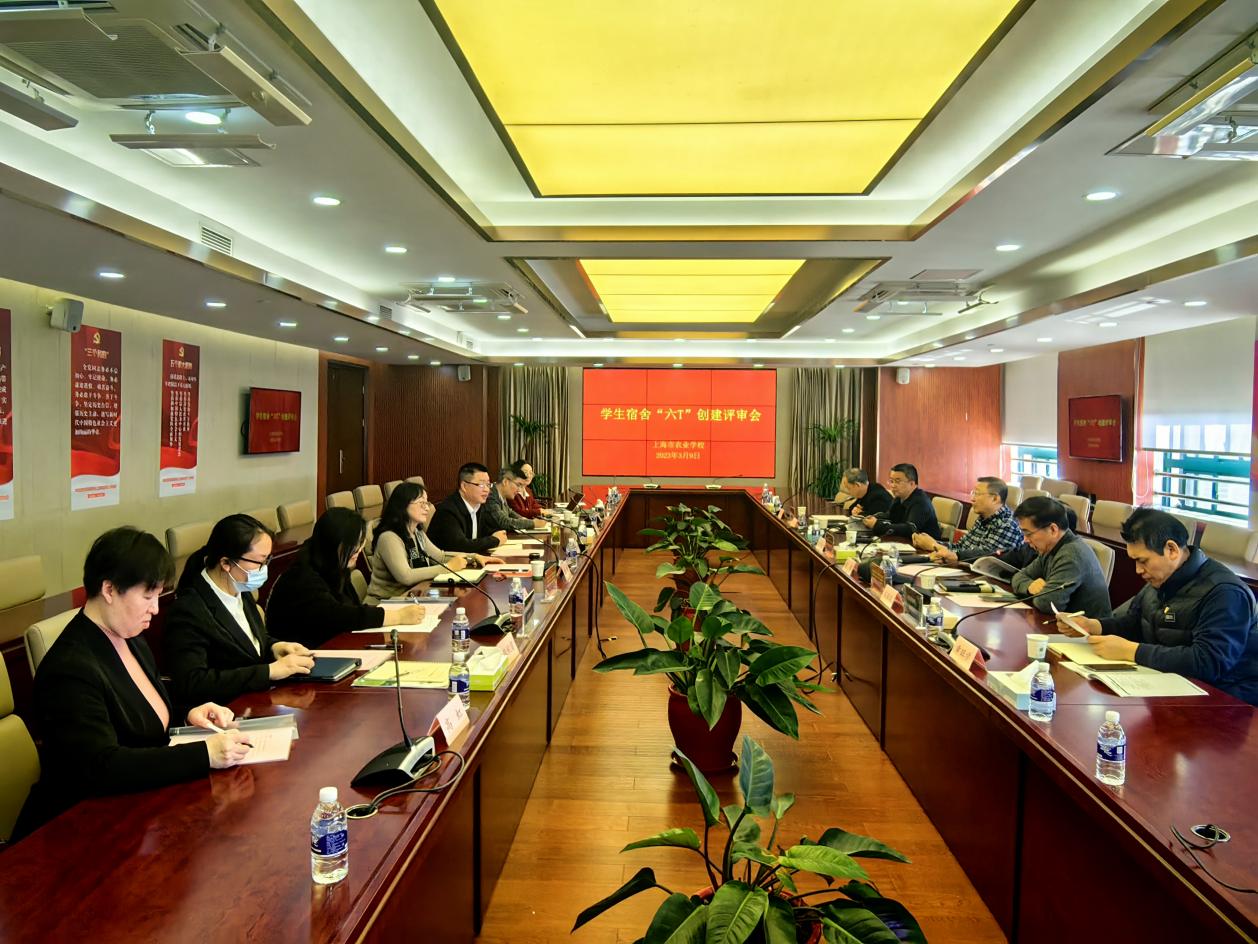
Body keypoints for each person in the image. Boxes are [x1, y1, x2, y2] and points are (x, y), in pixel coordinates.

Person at [14, 527, 251, 839]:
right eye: (148, 596)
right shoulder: (70, 669)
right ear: (109, 589)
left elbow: (141, 708)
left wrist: (188, 714)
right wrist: (205, 754)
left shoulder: (129, 636)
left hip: (138, 808)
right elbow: (103, 766)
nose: (156, 608)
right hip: (79, 829)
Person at [1059, 508, 1258, 704]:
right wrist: (1096, 626)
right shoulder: (1163, 577)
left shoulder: (1225, 593)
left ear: (1171, 550)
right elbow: (1137, 622)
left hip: (1226, 701)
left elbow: (1208, 662)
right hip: (1170, 683)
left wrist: (1132, 651)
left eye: (1142, 561)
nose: (1138, 570)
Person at [165, 514, 315, 706]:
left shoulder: (239, 588)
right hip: (224, 711)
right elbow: (193, 682)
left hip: (256, 701)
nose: (264, 569)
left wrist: (275, 647)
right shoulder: (189, 610)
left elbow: (247, 642)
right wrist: (268, 672)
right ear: (226, 563)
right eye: (259, 562)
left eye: (267, 560)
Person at [265, 507, 428, 649]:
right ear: (333, 542)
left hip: (331, 647)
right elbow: (339, 616)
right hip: (304, 658)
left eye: (360, 544)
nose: (358, 550)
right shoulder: (301, 578)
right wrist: (397, 616)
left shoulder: (333, 565)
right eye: (353, 546)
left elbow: (351, 607)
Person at [364, 482, 503, 604]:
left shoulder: (416, 532)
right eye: (421, 503)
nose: (427, 508)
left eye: (427, 503)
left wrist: (473, 557)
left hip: (411, 597)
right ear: (403, 505)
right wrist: (448, 567)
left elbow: (440, 556)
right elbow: (406, 576)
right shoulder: (389, 537)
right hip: (384, 604)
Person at [1011, 496, 1112, 617]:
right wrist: (1029, 586)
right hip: (1061, 623)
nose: (1025, 539)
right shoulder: (1051, 547)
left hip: (1083, 627)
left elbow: (1047, 603)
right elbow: (1018, 576)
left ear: (1053, 530)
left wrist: (1037, 592)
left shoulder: (1071, 555)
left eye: (1028, 533)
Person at [915, 477, 1024, 563]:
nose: (972, 499)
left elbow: (986, 558)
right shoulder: (983, 518)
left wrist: (934, 546)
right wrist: (929, 542)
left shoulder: (1007, 524)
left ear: (995, 498)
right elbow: (960, 547)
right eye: (973, 493)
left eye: (977, 494)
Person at [427, 462, 509, 554]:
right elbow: (461, 546)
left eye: (488, 484)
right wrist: (494, 540)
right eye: (481, 484)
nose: (487, 490)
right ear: (464, 486)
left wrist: (497, 534)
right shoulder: (447, 511)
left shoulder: (479, 506)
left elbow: (490, 530)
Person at [862, 463, 940, 540]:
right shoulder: (899, 497)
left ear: (912, 483)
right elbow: (891, 516)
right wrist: (874, 517)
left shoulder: (921, 502)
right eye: (891, 481)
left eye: (897, 481)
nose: (893, 485)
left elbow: (910, 529)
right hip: (904, 542)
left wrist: (877, 526)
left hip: (926, 546)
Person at [484, 467, 546, 533]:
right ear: (505, 482)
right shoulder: (490, 495)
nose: (519, 490)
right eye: (518, 485)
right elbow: (503, 521)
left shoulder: (501, 494)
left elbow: (510, 512)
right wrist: (533, 523)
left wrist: (523, 519)